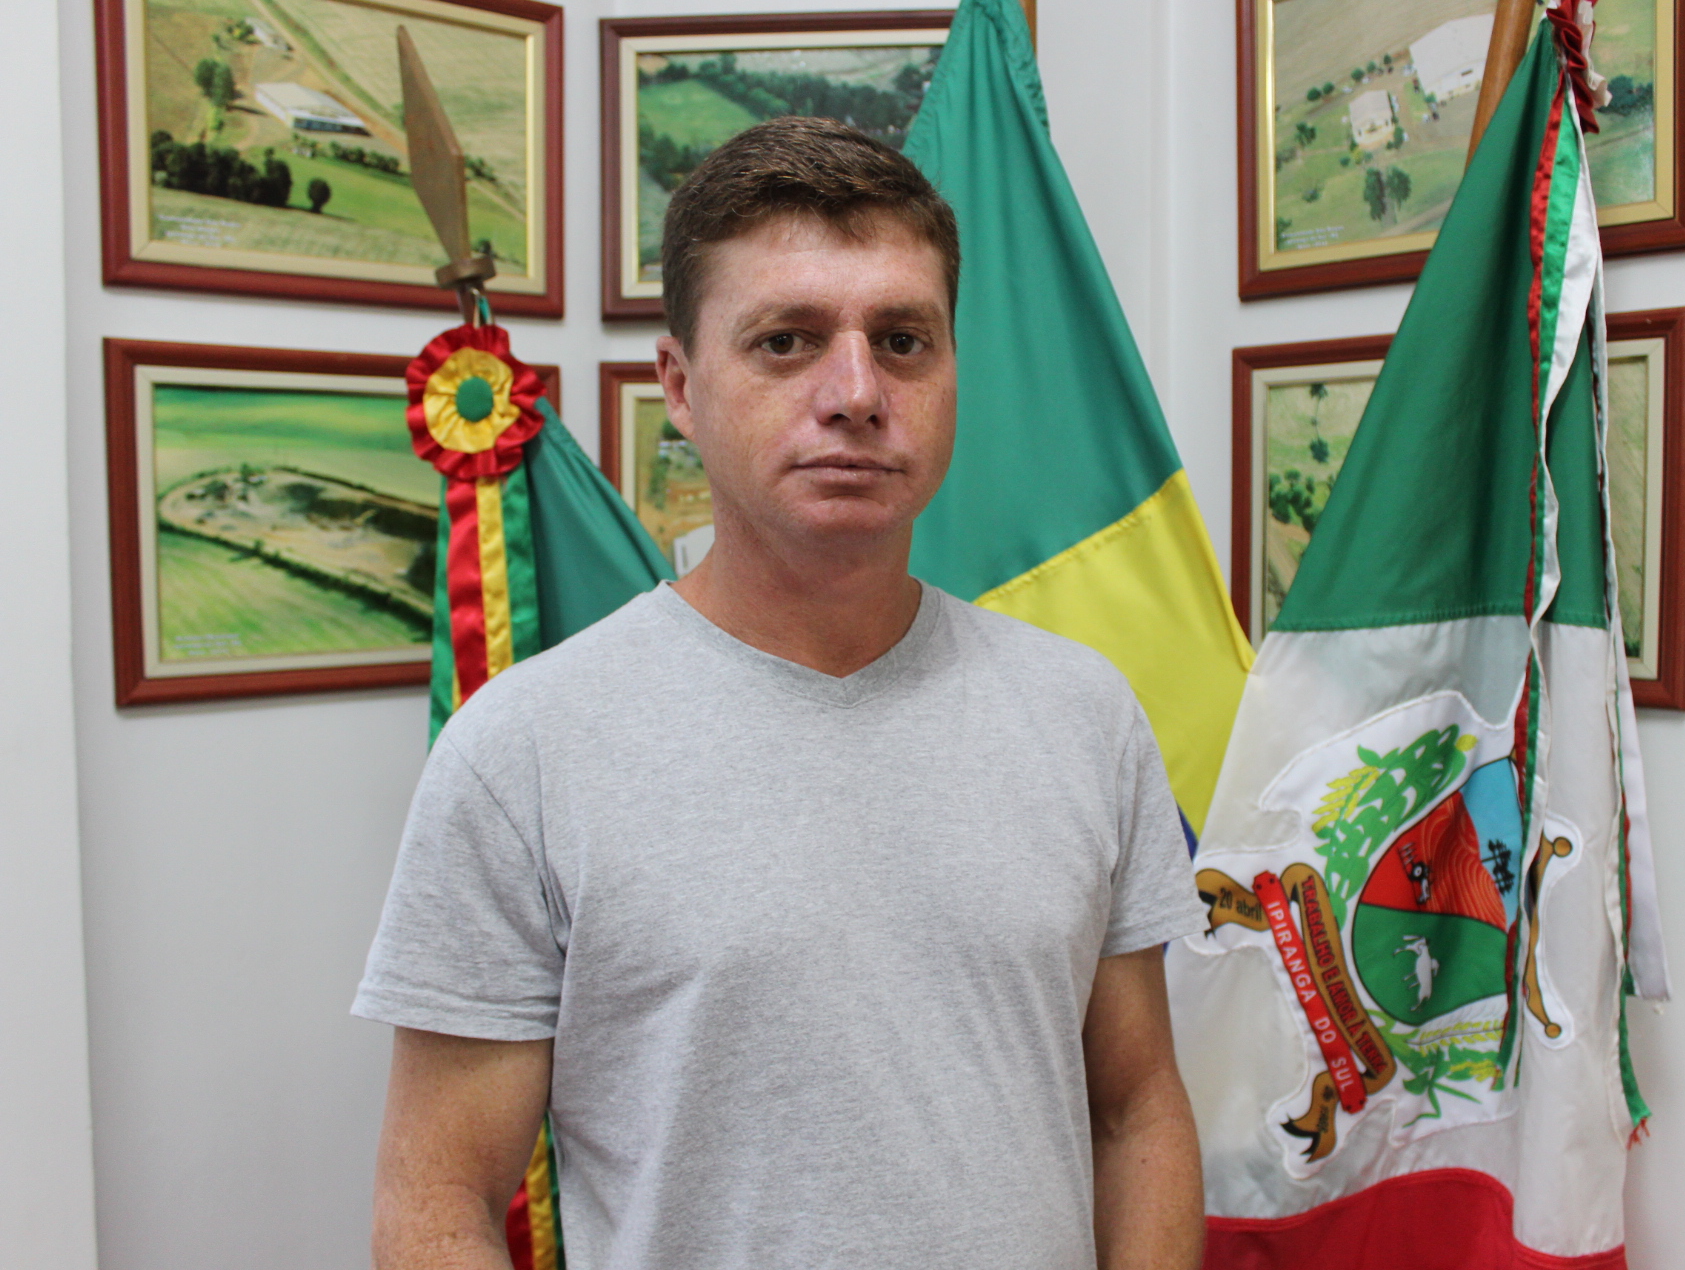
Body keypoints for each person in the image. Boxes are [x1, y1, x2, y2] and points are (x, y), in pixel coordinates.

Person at [354, 116, 1207, 1270]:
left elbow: (1136, 1111)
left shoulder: (1084, 713)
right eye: (786, 341)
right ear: (681, 385)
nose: (855, 391)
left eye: (902, 340)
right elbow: (436, 1203)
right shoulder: (524, 748)